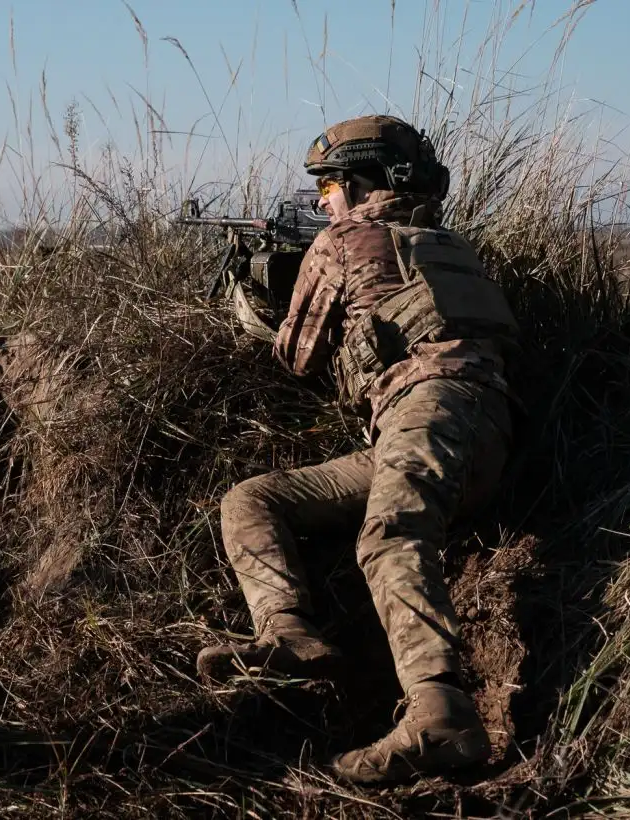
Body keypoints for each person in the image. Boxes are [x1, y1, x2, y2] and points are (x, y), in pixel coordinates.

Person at [196, 115, 521, 785]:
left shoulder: (343, 241)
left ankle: (440, 713)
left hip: (427, 410)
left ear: (359, 185)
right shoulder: (449, 244)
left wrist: (252, 293)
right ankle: (285, 631)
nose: (321, 205)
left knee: (390, 537)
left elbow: (298, 356)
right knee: (255, 500)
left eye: (327, 190)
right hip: (480, 429)